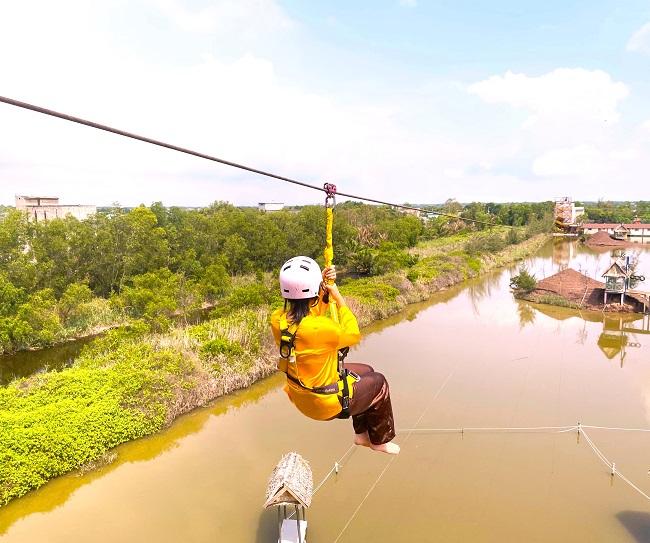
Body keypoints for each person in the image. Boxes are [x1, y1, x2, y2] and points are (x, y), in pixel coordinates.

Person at [270, 256, 400, 455]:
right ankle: (379, 441)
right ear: (312, 289)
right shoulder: (320, 328)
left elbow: (310, 315)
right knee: (379, 383)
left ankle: (362, 435)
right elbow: (353, 333)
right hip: (323, 405)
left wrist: (322, 286)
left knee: (366, 371)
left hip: (301, 395)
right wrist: (338, 297)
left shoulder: (277, 320)